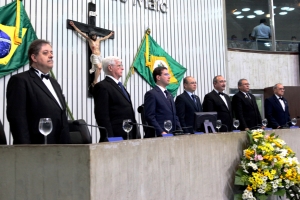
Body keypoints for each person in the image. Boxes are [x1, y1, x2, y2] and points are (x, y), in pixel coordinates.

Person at [6, 39, 70, 144]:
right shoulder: (20, 80)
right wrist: (25, 149)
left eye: (51, 52)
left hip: (60, 147)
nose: (51, 56)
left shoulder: (54, 83)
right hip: (36, 146)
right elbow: (17, 118)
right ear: (34, 57)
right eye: (45, 53)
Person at [93, 56, 138, 142]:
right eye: (119, 65)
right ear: (110, 67)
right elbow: (102, 116)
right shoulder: (102, 86)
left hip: (129, 135)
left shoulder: (120, 86)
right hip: (115, 136)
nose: (123, 68)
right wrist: (110, 137)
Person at [69, 21, 114, 87]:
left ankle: (95, 81)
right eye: (92, 36)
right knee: (99, 67)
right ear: (91, 36)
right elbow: (81, 33)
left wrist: (110, 34)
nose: (94, 37)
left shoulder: (99, 40)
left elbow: (105, 37)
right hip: (94, 56)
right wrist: (73, 26)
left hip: (99, 56)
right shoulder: (90, 40)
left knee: (99, 68)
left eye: (94, 35)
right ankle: (95, 81)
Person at [144, 66, 181, 137]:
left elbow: (174, 115)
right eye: (166, 74)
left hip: (173, 134)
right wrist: (161, 132)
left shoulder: (169, 94)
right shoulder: (151, 94)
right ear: (158, 77)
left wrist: (180, 130)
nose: (169, 77)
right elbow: (150, 116)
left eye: (169, 74)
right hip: (159, 135)